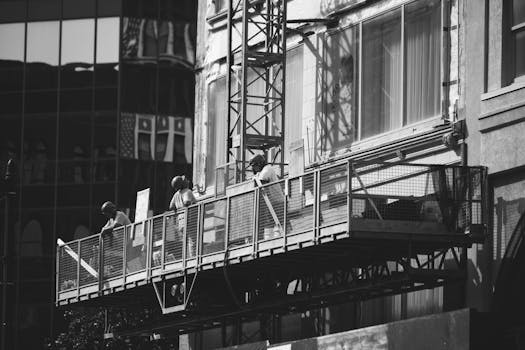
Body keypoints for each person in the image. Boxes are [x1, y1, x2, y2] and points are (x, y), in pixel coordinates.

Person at [249, 155, 284, 239]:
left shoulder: (267, 169)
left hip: (277, 201)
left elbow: (260, 182)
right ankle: (270, 239)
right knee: (269, 224)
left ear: (259, 164)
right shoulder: (260, 172)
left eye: (254, 166)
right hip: (270, 202)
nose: (254, 169)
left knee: (278, 223)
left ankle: (278, 240)